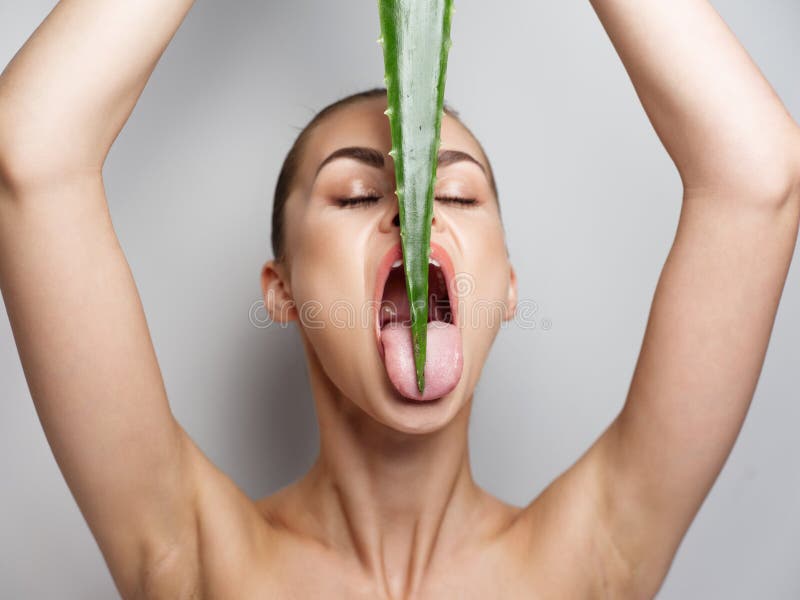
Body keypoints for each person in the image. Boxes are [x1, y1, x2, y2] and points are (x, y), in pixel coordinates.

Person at [0, 0, 798, 598]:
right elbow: (28, 149)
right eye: (352, 196)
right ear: (281, 291)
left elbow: (759, 175)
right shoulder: (196, 561)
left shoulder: (592, 560)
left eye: (456, 195)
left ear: (508, 286)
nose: (410, 214)